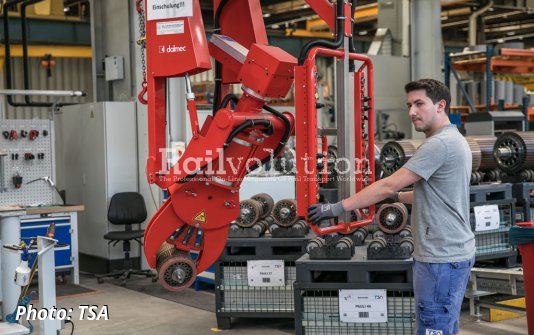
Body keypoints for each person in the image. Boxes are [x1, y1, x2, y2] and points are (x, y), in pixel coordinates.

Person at [308, 79, 476, 335]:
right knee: (444, 326)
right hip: (452, 253)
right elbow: (433, 194)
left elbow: (386, 185)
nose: (411, 112)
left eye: (419, 104)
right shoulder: (455, 139)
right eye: (409, 105)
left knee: (433, 327)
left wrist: (336, 208)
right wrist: (395, 197)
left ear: (440, 105)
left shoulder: (438, 145)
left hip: (441, 258)